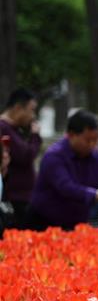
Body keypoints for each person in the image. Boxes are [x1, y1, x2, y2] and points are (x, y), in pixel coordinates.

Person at [27, 111, 98, 231]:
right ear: (71, 135)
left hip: (76, 224)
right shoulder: (54, 156)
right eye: (87, 140)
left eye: (95, 140)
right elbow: (67, 188)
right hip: (44, 223)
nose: (92, 145)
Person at [0, 88, 42, 228]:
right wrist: (35, 136)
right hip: (14, 199)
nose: (33, 116)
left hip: (22, 199)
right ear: (18, 107)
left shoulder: (14, 129)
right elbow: (25, 156)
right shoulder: (3, 128)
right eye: (31, 110)